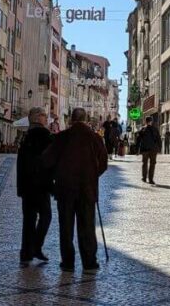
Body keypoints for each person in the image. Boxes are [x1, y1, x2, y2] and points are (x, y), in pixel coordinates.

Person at [42, 108, 107, 274]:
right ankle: (89, 262)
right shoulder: (95, 138)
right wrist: (92, 175)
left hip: (65, 189)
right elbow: (103, 164)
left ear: (71, 120)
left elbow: (47, 160)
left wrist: (56, 175)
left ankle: (68, 262)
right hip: (87, 189)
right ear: (85, 120)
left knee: (66, 227)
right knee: (87, 227)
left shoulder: (62, 137)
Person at [17, 107, 54, 265]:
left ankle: (26, 253)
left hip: (26, 185)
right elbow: (50, 161)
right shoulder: (45, 136)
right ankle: (36, 247)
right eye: (45, 116)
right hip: (41, 185)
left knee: (29, 219)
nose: (47, 119)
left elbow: (20, 164)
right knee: (46, 216)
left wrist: (20, 186)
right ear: (38, 118)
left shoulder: (25, 137)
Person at [136, 117, 161, 184]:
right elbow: (159, 139)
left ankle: (144, 178)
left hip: (145, 149)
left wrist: (137, 149)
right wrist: (159, 149)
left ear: (145, 121)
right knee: (152, 164)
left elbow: (138, 140)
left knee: (145, 164)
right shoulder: (155, 129)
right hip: (153, 149)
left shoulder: (142, 129)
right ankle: (151, 179)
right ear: (151, 121)